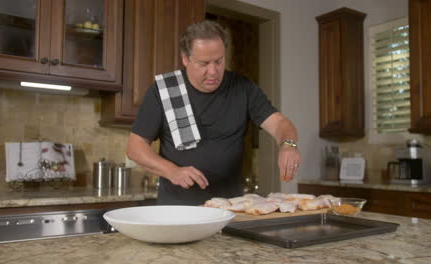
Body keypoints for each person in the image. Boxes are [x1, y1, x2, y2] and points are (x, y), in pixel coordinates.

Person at [127, 20, 301, 205]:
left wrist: (288, 144)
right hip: (177, 211)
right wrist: (172, 171)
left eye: (219, 61)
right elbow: (135, 148)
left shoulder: (243, 88)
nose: (213, 71)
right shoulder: (164, 91)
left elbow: (279, 123)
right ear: (185, 58)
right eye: (203, 63)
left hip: (230, 209)